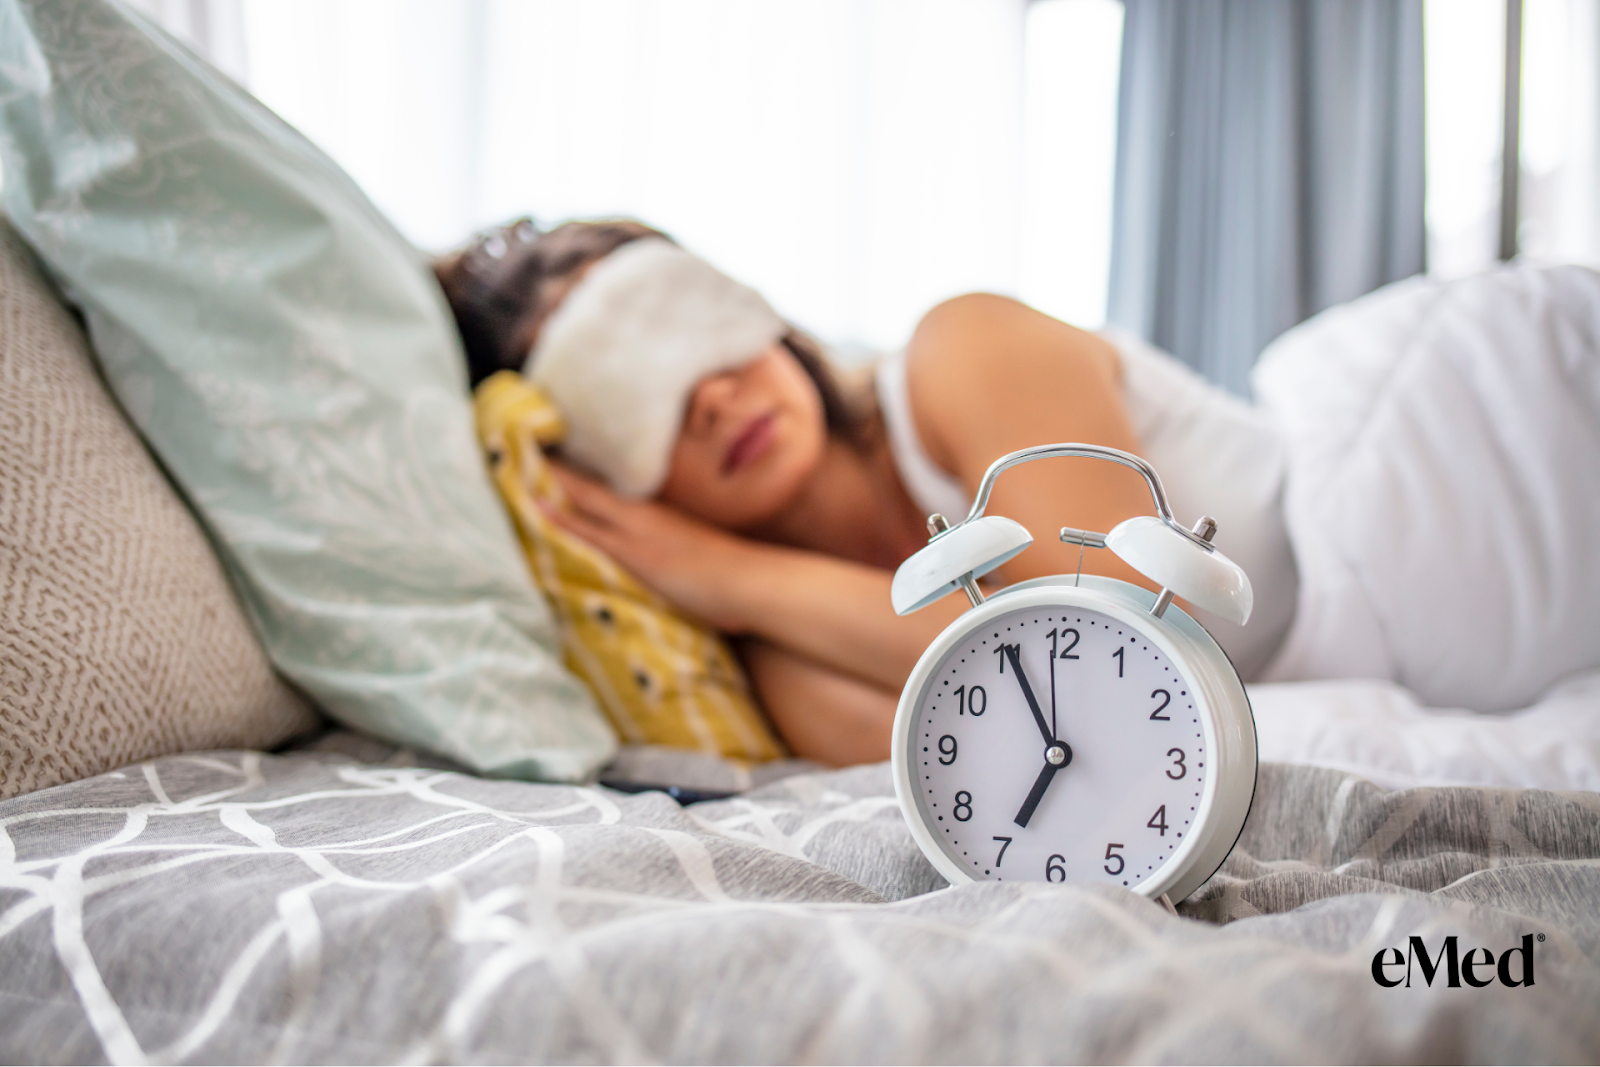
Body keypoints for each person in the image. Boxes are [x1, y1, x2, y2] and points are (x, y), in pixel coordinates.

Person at [436, 218, 1296, 765]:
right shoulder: (786, 660)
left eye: (673, 323)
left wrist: (724, 572)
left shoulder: (962, 347)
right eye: (617, 402)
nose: (705, 399)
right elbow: (1071, 760)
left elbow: (1115, 647)